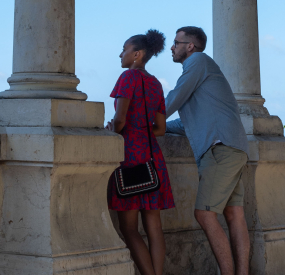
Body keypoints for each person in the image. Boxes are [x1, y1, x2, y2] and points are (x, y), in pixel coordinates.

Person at [164, 26, 250, 275]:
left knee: (204, 214)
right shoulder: (203, 72)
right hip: (232, 147)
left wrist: (143, 119)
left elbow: (174, 98)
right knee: (234, 215)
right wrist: (161, 127)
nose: (172, 47)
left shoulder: (198, 61)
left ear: (190, 46)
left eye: (176, 42)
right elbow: (189, 123)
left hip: (219, 149)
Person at [107, 29, 175, 275]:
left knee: (129, 229)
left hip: (130, 158)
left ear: (137, 54)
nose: (120, 55)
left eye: (124, 50)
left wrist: (110, 129)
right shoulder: (155, 83)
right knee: (154, 229)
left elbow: (120, 121)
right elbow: (160, 129)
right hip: (152, 158)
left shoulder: (127, 78)